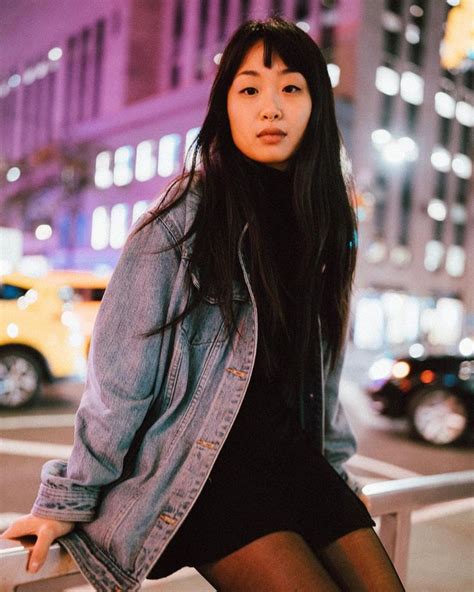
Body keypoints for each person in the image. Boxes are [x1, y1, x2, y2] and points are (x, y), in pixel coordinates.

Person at [2, 18, 405, 591]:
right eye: (250, 89)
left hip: (296, 464)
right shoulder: (183, 219)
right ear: (225, 108)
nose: (271, 108)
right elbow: (120, 379)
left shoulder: (325, 220)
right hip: (210, 474)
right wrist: (69, 495)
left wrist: (335, 471)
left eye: (291, 88)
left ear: (317, 104)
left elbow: (319, 367)